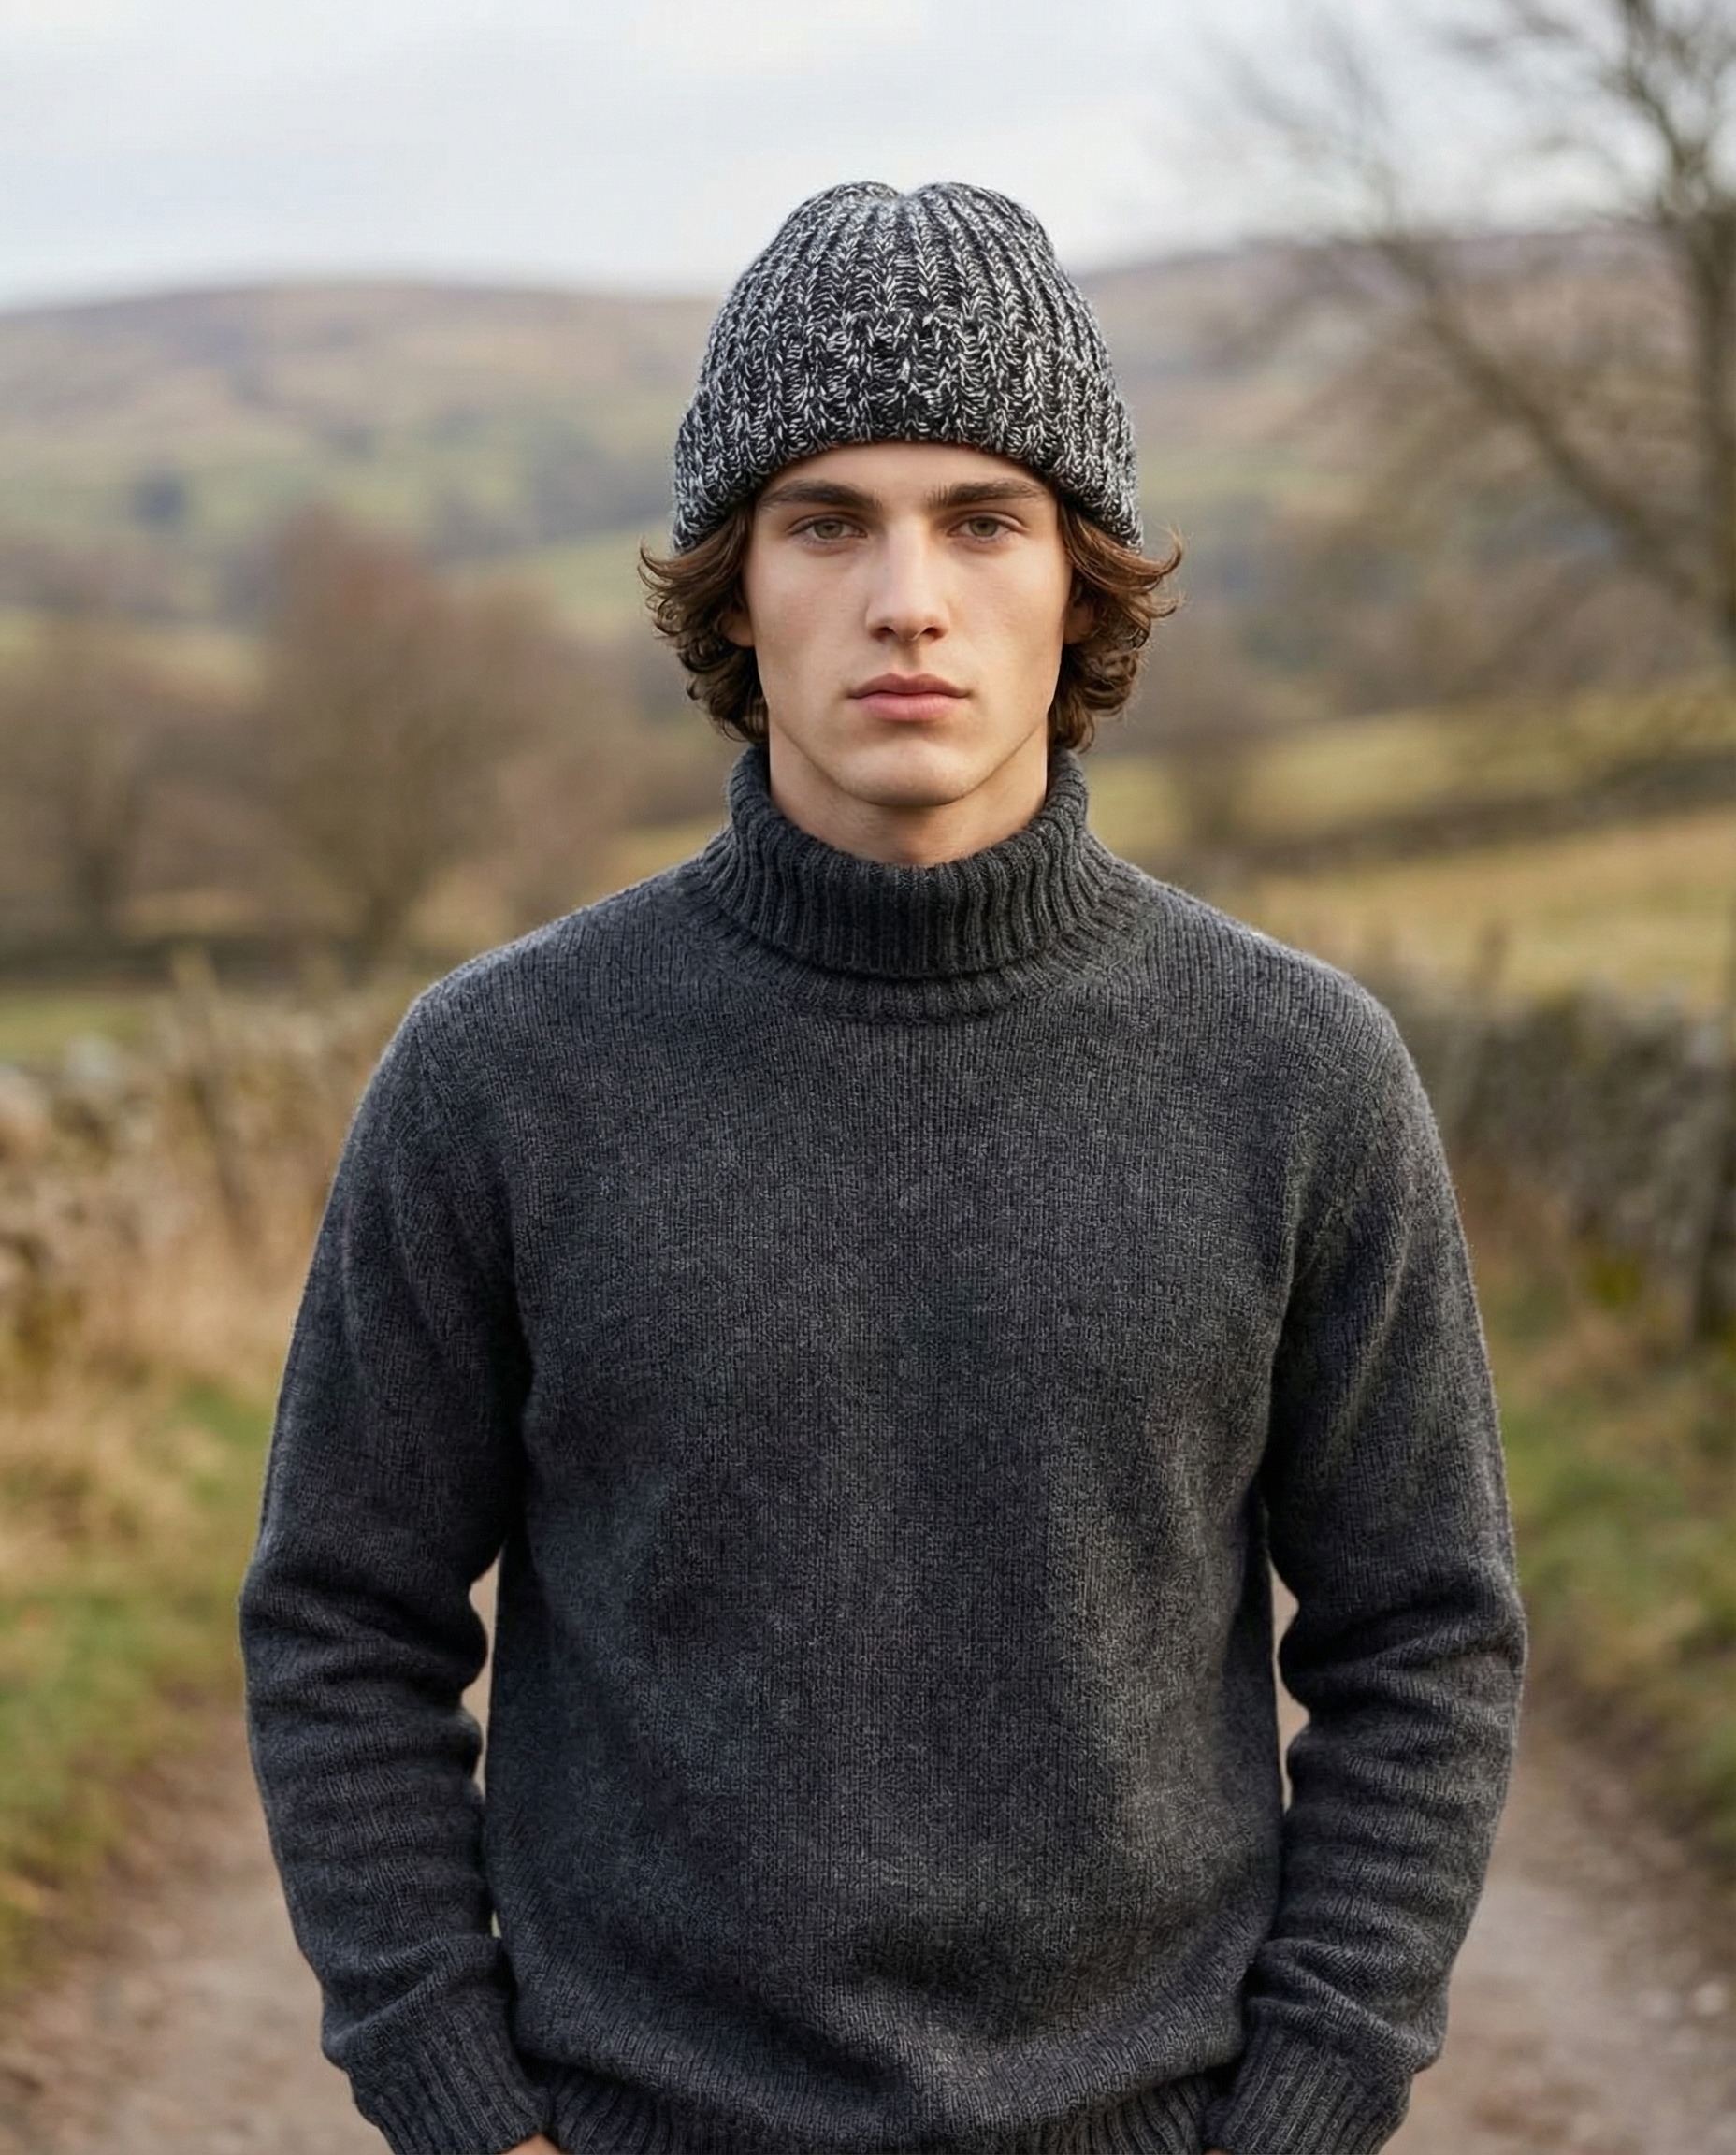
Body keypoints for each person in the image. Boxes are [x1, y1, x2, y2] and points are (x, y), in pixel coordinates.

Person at [240, 181, 1526, 2155]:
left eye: (982, 520)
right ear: (733, 591)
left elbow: (1424, 1633)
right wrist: (461, 2103)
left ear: (1081, 582)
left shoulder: (1295, 1074)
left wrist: (1311, 2095)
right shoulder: (500, 1073)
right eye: (826, 521)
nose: (906, 597)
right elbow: (343, 1618)